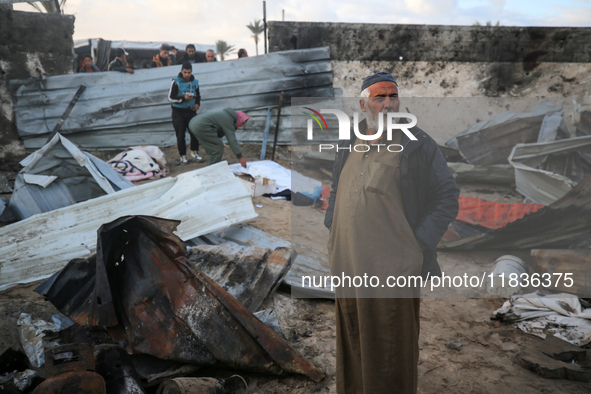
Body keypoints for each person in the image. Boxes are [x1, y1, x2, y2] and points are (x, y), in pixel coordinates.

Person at [324, 72, 459, 393]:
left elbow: (447, 196)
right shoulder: (349, 138)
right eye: (379, 97)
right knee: (353, 333)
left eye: (393, 97)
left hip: (392, 267)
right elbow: (336, 185)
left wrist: (417, 245)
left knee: (390, 340)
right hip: (348, 260)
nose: (388, 104)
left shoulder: (417, 144)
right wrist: (333, 226)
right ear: (362, 104)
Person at [168, 62, 203, 164]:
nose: (187, 74)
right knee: (180, 135)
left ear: (191, 72)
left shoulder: (195, 82)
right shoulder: (176, 82)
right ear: (181, 71)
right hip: (178, 112)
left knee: (195, 132)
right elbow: (170, 98)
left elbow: (198, 96)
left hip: (191, 112)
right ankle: (182, 155)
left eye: (189, 72)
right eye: (185, 72)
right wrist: (183, 98)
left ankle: (194, 151)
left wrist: (197, 104)